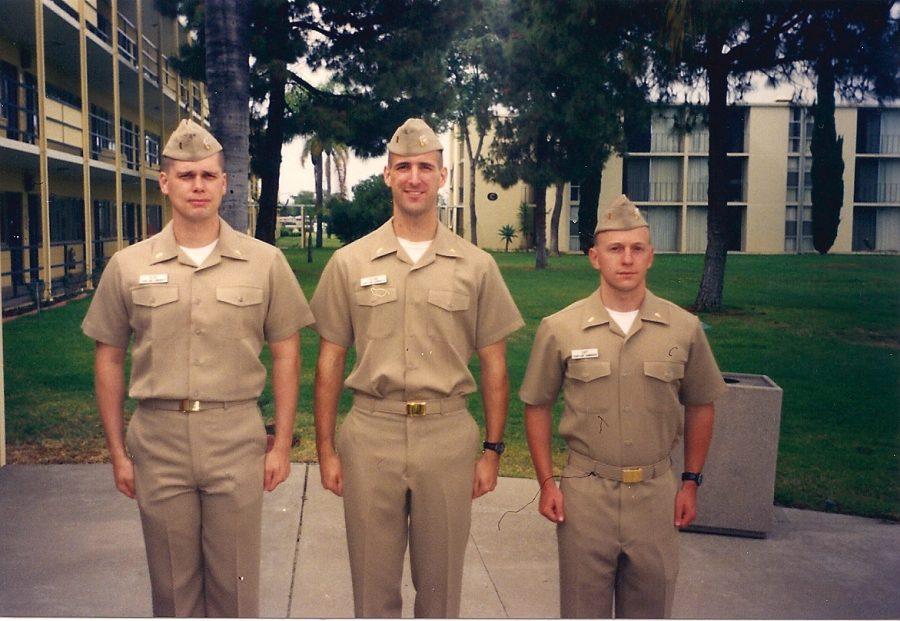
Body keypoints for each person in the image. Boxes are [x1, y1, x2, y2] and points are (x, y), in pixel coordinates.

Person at [81, 119, 314, 617]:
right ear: (164, 182)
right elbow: (109, 357)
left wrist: (283, 442)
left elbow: (287, 352)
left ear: (225, 183)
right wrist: (119, 452)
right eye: (186, 176)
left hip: (235, 436)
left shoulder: (264, 262)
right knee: (171, 590)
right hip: (158, 438)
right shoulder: (127, 265)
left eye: (208, 176)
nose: (198, 186)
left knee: (235, 584)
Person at [310, 117, 524, 618]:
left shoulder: (476, 266)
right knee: (372, 589)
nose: (414, 177)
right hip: (370, 436)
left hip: (448, 438)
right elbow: (329, 361)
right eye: (403, 167)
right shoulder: (350, 262)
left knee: (440, 592)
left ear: (442, 176)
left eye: (425, 167)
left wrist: (492, 450)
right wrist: (326, 450)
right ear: (387, 175)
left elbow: (495, 365)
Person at [520, 194, 726, 618]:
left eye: (637, 249)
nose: (626, 259)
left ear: (651, 256)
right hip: (586, 495)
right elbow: (537, 404)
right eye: (615, 249)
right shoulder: (560, 328)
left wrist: (690, 481)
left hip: (656, 495)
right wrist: (545, 483)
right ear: (595, 257)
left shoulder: (683, 329)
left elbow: (701, 404)